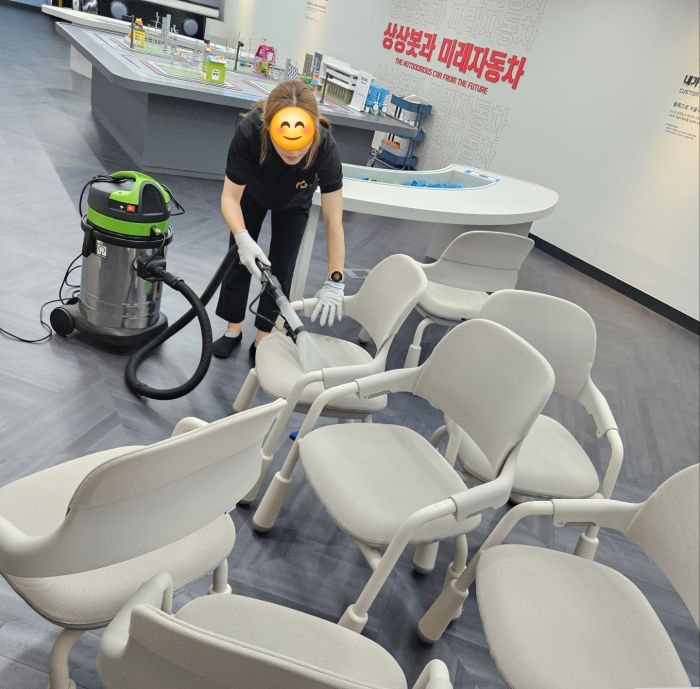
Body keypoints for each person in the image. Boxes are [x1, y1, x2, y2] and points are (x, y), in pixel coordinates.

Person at [213, 80, 346, 361]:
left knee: (282, 267)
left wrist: (335, 280)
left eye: (301, 146)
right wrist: (242, 237)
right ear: (269, 127)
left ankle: (263, 334)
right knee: (239, 258)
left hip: (294, 201)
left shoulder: (325, 147)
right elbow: (229, 198)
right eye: (284, 145)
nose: (293, 152)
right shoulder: (250, 131)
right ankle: (233, 329)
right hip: (251, 194)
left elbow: (334, 220)